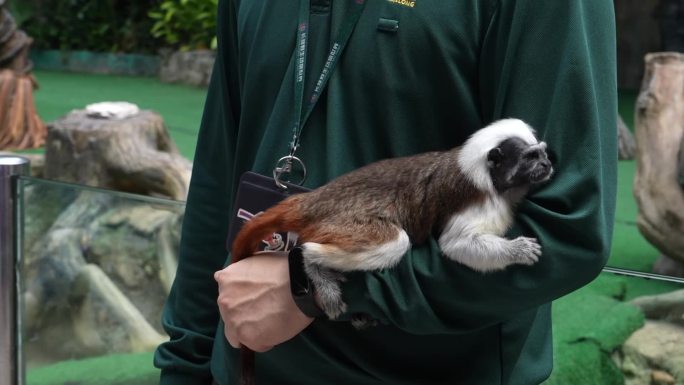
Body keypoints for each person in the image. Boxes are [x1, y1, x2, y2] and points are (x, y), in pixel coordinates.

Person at [154, 0, 618, 384]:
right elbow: (218, 180)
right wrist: (185, 364)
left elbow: (565, 228)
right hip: (248, 366)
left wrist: (317, 285)